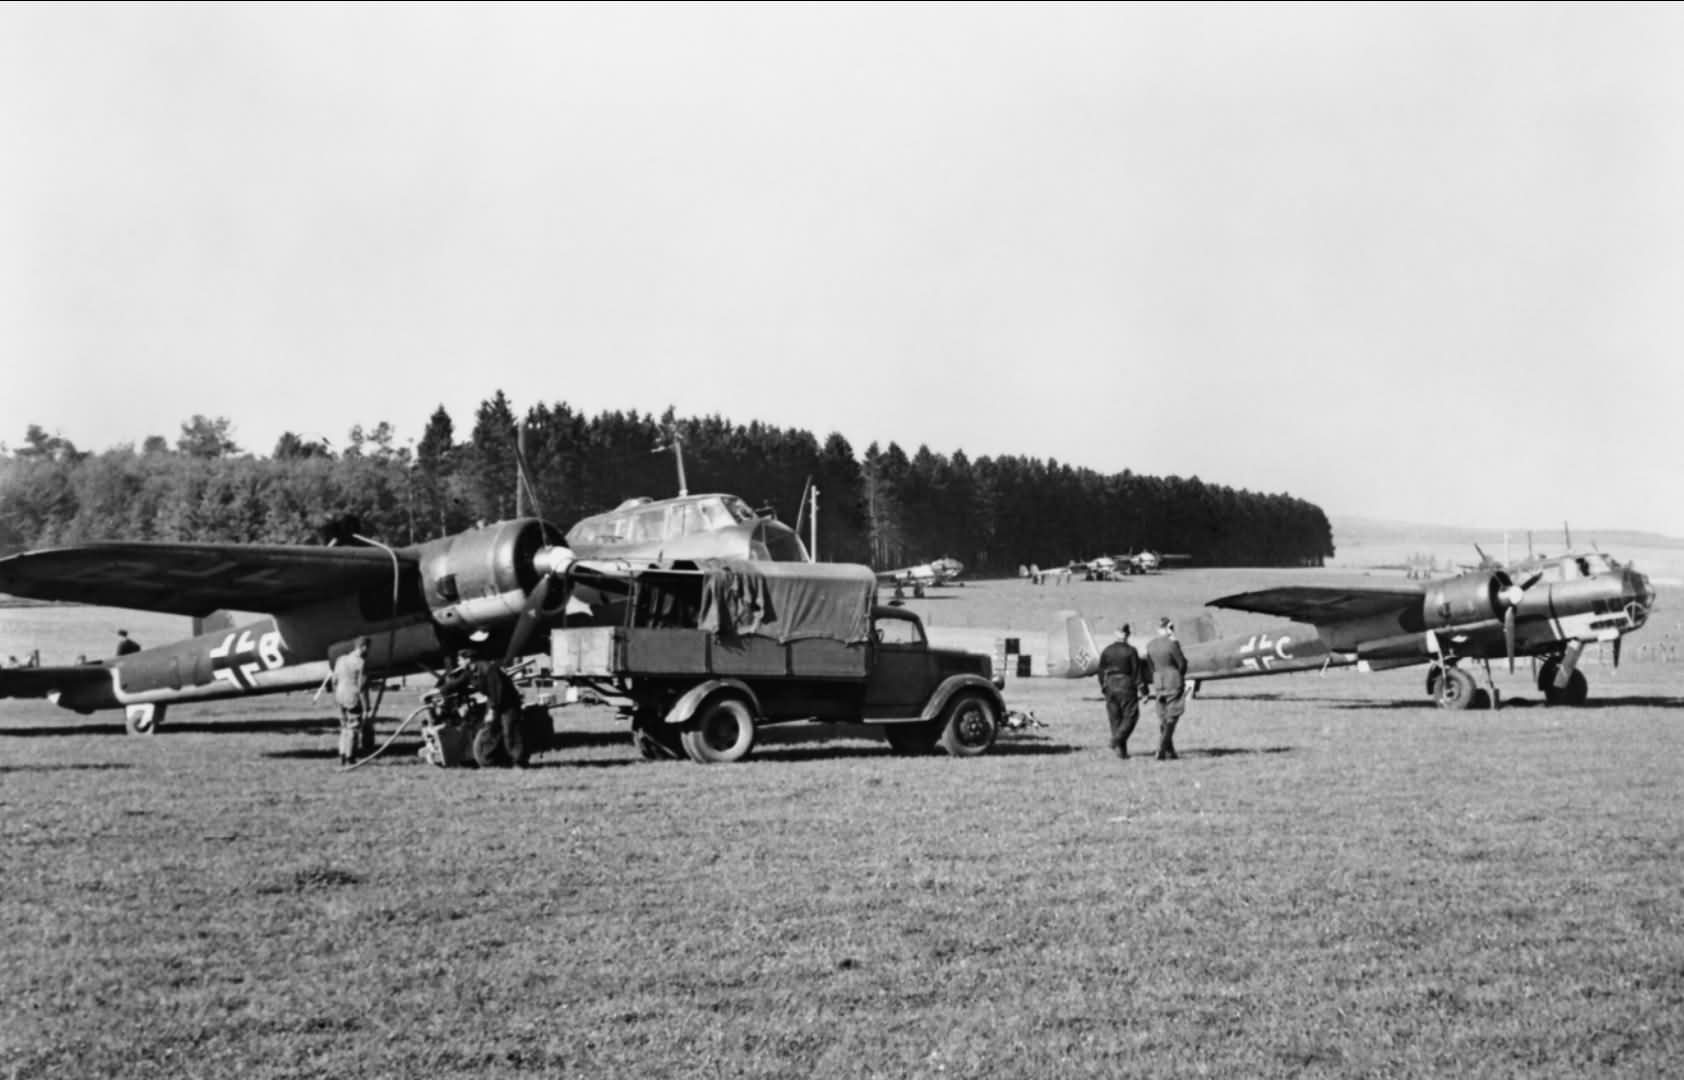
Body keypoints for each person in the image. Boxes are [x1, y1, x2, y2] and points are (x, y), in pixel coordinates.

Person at [439, 648, 526, 767]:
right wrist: (441, 690)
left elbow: (497, 692)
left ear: (468, 660)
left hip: (508, 703)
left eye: (460, 660)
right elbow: (458, 683)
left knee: (509, 731)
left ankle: (519, 763)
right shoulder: (470, 671)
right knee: (490, 729)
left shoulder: (488, 669)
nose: (458, 663)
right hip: (494, 700)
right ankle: (490, 760)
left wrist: (492, 711)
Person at [1096, 623, 1147, 759]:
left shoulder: (1107, 650)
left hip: (1110, 685)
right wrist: (1144, 691)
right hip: (1126, 684)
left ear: (1115, 633)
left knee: (1115, 719)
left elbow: (1100, 671)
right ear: (1127, 635)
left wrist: (1104, 687)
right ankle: (1116, 741)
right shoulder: (1131, 651)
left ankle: (1121, 752)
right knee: (1131, 716)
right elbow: (1137, 673)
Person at [1144, 616, 1189, 760]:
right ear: (1168, 628)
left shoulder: (1150, 645)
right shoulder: (1172, 644)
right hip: (1173, 680)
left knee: (1163, 717)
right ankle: (1161, 748)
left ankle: (1170, 751)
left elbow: (1150, 666)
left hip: (1159, 682)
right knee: (1173, 715)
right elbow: (1182, 664)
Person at [329, 637, 372, 766]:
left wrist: (336, 695)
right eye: (368, 648)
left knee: (344, 727)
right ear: (363, 647)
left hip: (340, 696)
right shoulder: (360, 663)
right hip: (352, 697)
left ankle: (342, 755)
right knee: (353, 728)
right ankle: (350, 757)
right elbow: (362, 687)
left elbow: (334, 681)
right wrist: (366, 708)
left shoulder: (340, 659)